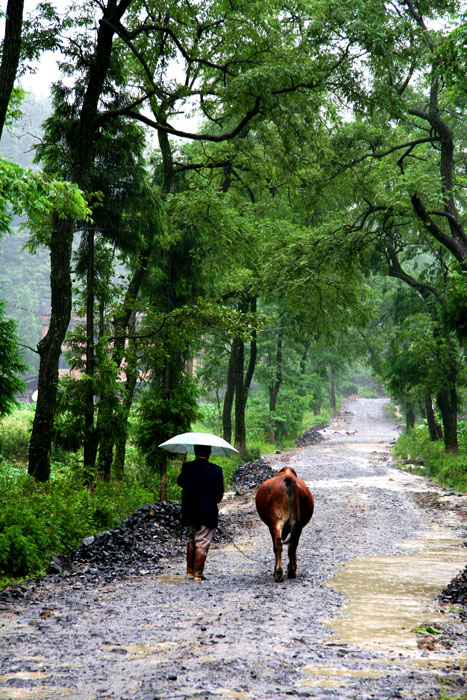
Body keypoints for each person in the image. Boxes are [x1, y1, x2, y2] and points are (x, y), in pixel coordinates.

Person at [177, 444, 224, 581]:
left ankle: (190, 571)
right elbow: (219, 494)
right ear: (208, 453)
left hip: (190, 510)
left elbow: (180, 482)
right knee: (202, 540)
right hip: (207, 512)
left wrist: (185, 468)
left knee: (191, 538)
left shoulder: (187, 467)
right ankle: (198, 573)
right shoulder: (216, 470)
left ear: (195, 452)